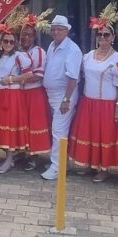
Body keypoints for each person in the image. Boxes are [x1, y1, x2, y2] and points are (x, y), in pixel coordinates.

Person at [69, 2, 118, 182]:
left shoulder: (117, 59)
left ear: (112, 38)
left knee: (104, 135)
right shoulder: (87, 56)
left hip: (107, 104)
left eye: (106, 35)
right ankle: (90, 164)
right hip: (89, 102)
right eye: (100, 34)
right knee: (90, 134)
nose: (102, 38)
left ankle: (103, 168)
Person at [40, 15, 83, 181]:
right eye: (54, 29)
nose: (56, 31)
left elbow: (73, 77)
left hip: (64, 95)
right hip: (51, 94)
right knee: (56, 129)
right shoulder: (51, 45)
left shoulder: (73, 50)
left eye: (60, 29)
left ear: (67, 31)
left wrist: (66, 99)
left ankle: (57, 167)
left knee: (59, 131)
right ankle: (57, 162)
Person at [0, 24, 32, 174]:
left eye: (11, 41)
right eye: (5, 41)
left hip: (12, 95)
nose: (8, 44)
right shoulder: (0, 56)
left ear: (15, 43)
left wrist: (11, 79)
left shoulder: (19, 56)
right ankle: (8, 158)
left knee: (9, 128)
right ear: (1, 42)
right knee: (2, 127)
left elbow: (29, 74)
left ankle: (9, 159)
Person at [17, 10, 53, 171]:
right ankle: (22, 151)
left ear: (35, 37)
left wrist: (17, 78)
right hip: (19, 93)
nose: (26, 38)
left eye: (30, 35)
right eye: (24, 34)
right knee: (21, 122)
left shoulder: (38, 52)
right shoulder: (15, 50)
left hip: (34, 93)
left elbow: (38, 75)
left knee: (33, 123)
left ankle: (33, 155)